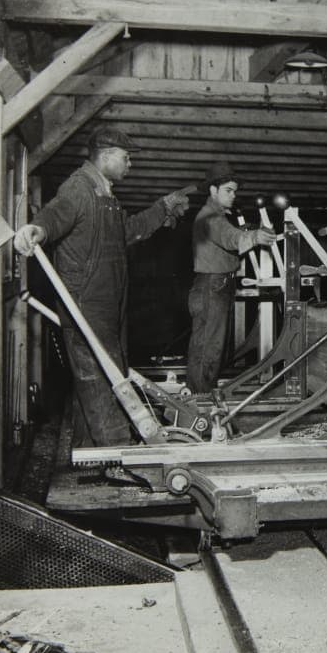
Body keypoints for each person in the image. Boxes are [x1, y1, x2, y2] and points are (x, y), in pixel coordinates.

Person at [13, 127, 190, 448]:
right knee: (99, 376)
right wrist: (37, 229)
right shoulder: (79, 189)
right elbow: (56, 214)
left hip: (109, 300)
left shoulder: (105, 194)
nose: (130, 165)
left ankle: (91, 451)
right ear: (106, 156)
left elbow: (127, 230)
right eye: (126, 158)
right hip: (87, 301)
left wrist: (162, 208)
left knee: (108, 373)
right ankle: (117, 451)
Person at [187, 162, 276, 394]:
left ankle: (201, 394)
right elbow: (230, 238)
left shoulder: (217, 217)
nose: (233, 195)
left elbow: (230, 235)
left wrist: (248, 232)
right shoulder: (210, 218)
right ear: (213, 191)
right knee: (210, 347)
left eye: (235, 191)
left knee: (210, 346)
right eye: (228, 190)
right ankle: (200, 400)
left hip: (216, 285)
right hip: (212, 286)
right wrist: (256, 236)